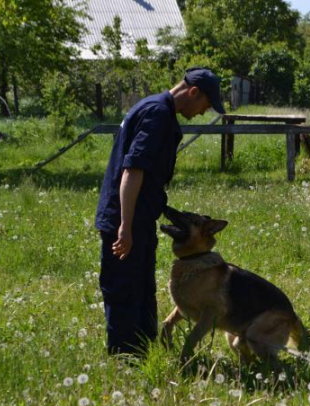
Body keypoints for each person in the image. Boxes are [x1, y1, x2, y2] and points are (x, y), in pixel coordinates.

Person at [95, 67, 226, 356]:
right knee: (124, 290)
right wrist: (125, 226)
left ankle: (144, 354)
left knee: (141, 288)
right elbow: (133, 169)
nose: (204, 112)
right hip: (126, 216)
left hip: (138, 216)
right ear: (193, 92)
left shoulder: (153, 108)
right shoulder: (157, 114)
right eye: (206, 104)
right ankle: (125, 360)